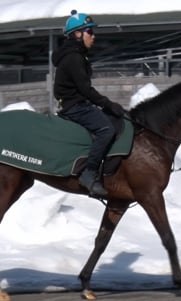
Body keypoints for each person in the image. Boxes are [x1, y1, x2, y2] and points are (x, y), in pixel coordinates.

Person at [52, 10, 127, 197]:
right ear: (78, 34)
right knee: (106, 129)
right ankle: (89, 173)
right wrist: (108, 104)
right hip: (74, 106)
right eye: (90, 32)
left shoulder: (76, 54)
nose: (94, 36)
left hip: (77, 103)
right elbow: (86, 90)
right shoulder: (74, 57)